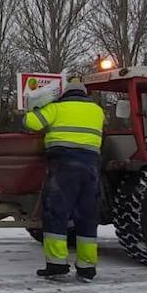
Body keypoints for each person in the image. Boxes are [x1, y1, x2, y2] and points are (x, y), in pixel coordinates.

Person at [24, 76, 105, 281]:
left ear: (64, 93)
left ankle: (57, 265)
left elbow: (31, 123)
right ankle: (87, 268)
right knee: (87, 218)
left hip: (64, 167)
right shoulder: (97, 111)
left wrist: (31, 108)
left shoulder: (57, 108)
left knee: (56, 214)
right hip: (90, 169)